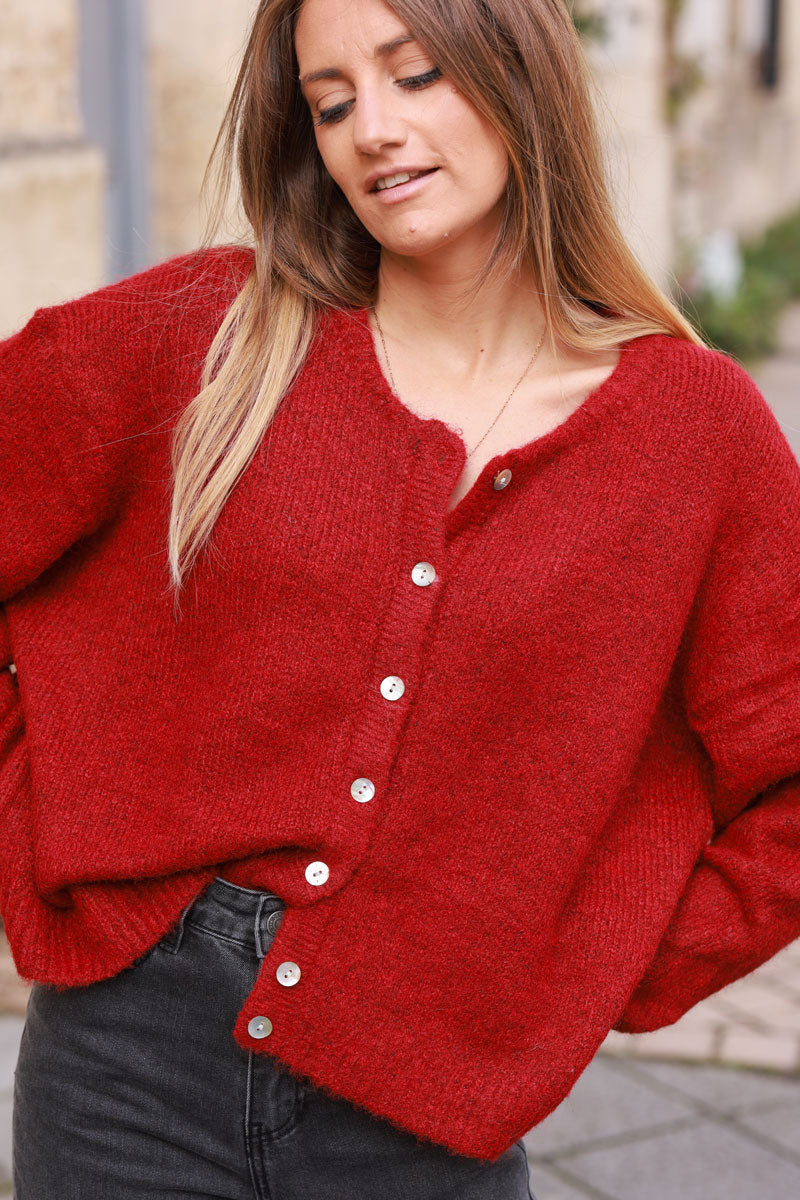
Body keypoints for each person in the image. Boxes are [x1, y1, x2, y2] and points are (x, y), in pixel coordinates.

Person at [2, 0, 799, 1196]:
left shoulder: (694, 435)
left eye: (415, 75)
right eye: (330, 102)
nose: (372, 129)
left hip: (428, 1106)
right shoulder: (207, 336)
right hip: (125, 1063)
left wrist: (585, 965)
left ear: (518, 70)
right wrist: (31, 786)